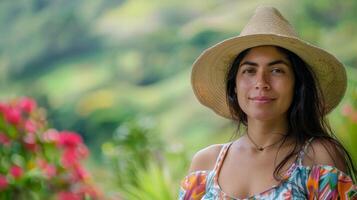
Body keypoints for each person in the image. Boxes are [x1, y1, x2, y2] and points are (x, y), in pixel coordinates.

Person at [179, 6, 357, 200]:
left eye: (276, 70)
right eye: (249, 70)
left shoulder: (318, 157)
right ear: (235, 86)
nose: (261, 83)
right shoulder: (205, 165)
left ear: (297, 84)